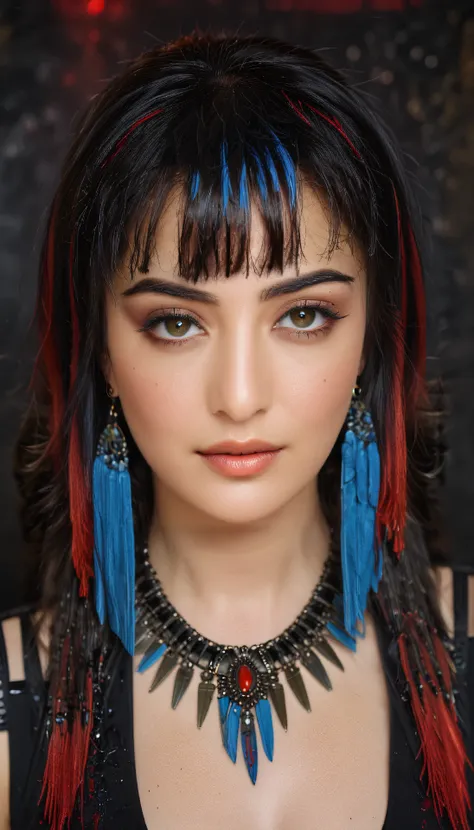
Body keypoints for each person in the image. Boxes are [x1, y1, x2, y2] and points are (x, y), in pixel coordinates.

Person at [0, 31, 472, 830]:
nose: (241, 396)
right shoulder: (14, 707)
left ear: (370, 338)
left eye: (302, 315)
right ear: (102, 350)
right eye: (177, 323)